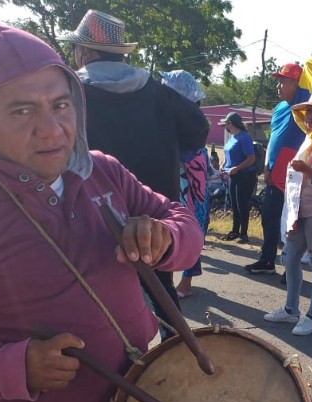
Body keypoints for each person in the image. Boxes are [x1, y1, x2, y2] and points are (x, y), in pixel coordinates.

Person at [0, 22, 203, 402]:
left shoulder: (102, 171)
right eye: (21, 111)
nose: (51, 130)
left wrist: (163, 239)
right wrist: (13, 368)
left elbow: (184, 227)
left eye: (61, 105)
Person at [58, 9, 209, 339]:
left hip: (93, 215)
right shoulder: (156, 90)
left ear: (85, 52)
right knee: (161, 290)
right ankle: (177, 359)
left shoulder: (68, 95)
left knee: (99, 297)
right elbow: (198, 130)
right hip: (156, 214)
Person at [264, 87, 312, 336]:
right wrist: (292, 214)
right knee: (289, 258)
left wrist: (309, 172)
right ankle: (291, 310)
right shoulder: (309, 140)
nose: (309, 117)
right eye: (308, 112)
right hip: (298, 211)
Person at [244, 63, 310, 275]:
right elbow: (273, 139)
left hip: (297, 175)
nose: (278, 86)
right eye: (279, 81)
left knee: (295, 224)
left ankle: (293, 268)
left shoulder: (306, 103)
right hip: (275, 173)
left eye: (284, 81)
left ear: (297, 84)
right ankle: (267, 260)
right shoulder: (280, 108)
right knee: (270, 217)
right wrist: (266, 166)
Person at [159, 69, 212, 298]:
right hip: (181, 177)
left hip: (190, 181)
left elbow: (187, 153)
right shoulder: (176, 115)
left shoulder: (191, 119)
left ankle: (186, 281)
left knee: (190, 225)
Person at [219, 111, 256, 244]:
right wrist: (224, 164)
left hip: (244, 176)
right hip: (232, 175)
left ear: (230, 123)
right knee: (234, 204)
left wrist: (237, 168)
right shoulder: (232, 137)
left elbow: (251, 158)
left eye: (226, 124)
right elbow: (228, 154)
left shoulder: (244, 137)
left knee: (242, 205)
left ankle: (244, 234)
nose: (225, 126)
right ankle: (235, 231)